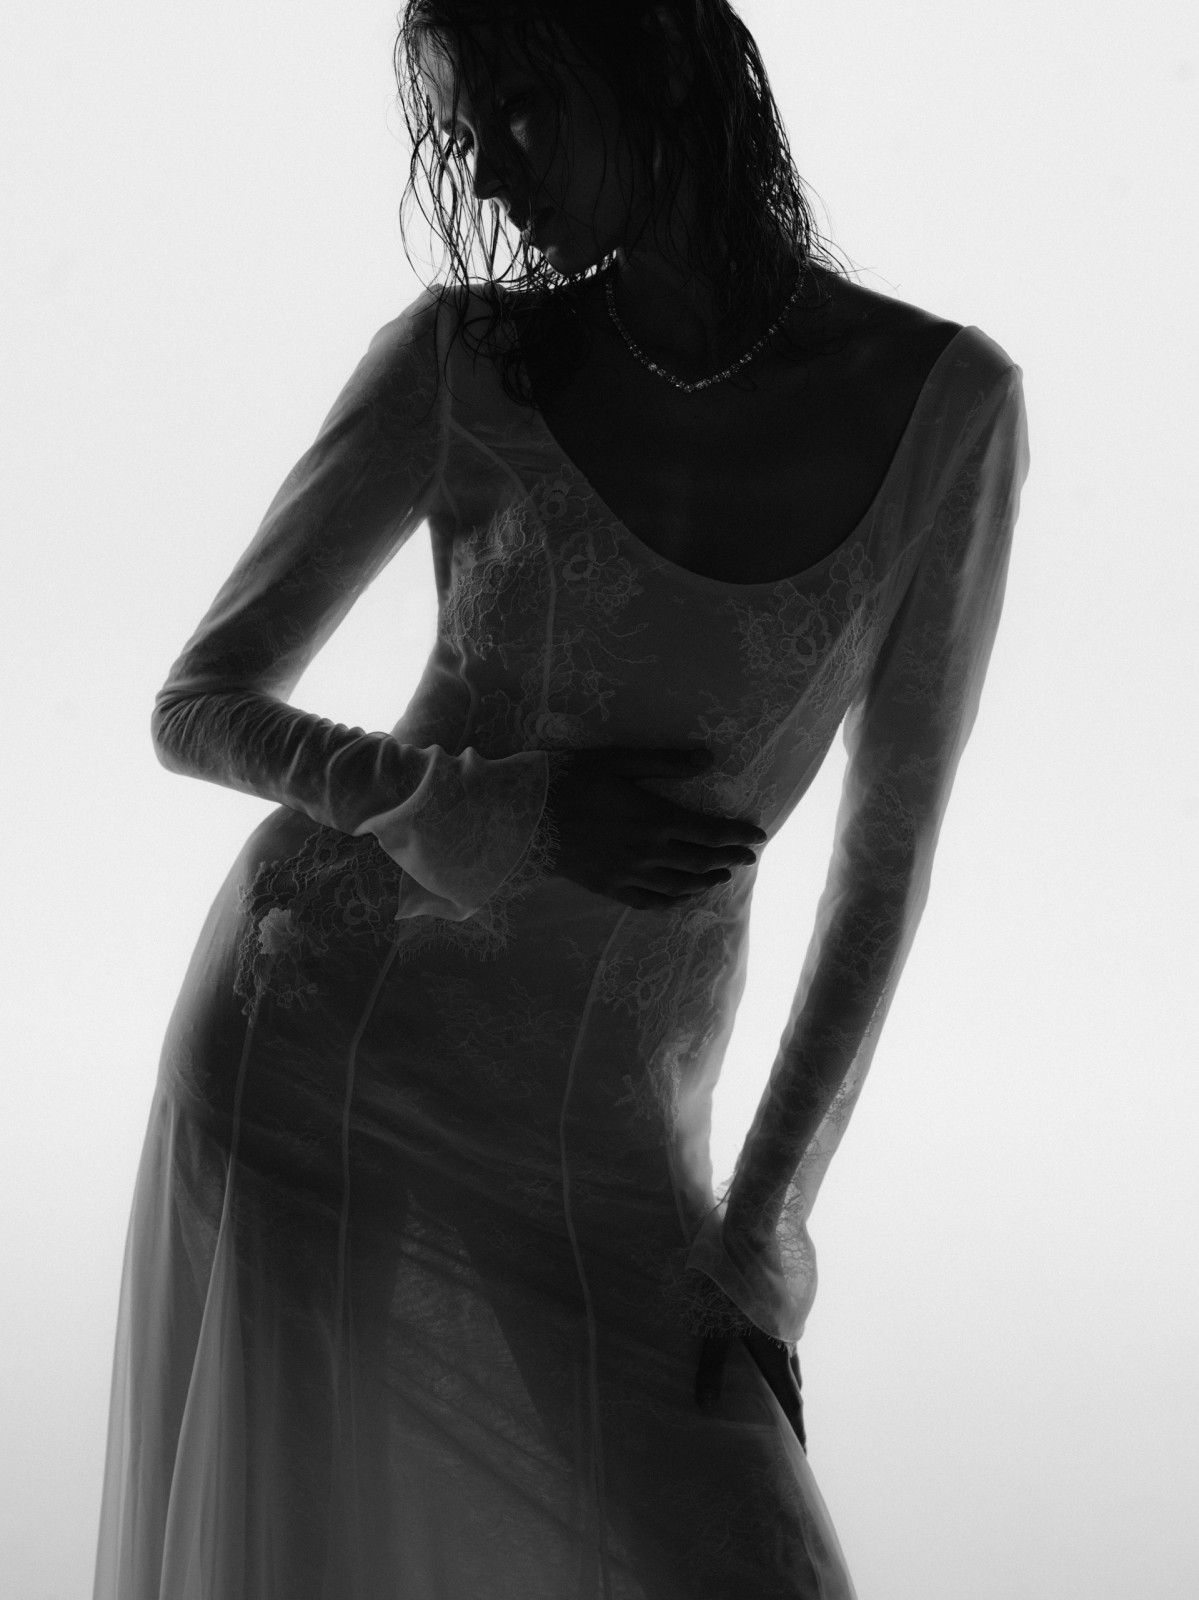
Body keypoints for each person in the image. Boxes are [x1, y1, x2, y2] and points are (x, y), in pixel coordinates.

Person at [92, 2, 1030, 1596]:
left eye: (520, 107)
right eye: (466, 126)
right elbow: (200, 704)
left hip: (604, 1130)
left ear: (654, 62)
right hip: (320, 1044)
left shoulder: (953, 410)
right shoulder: (465, 361)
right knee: (309, 1557)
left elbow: (884, 871)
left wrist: (756, 1238)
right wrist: (501, 811)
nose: (483, 169)